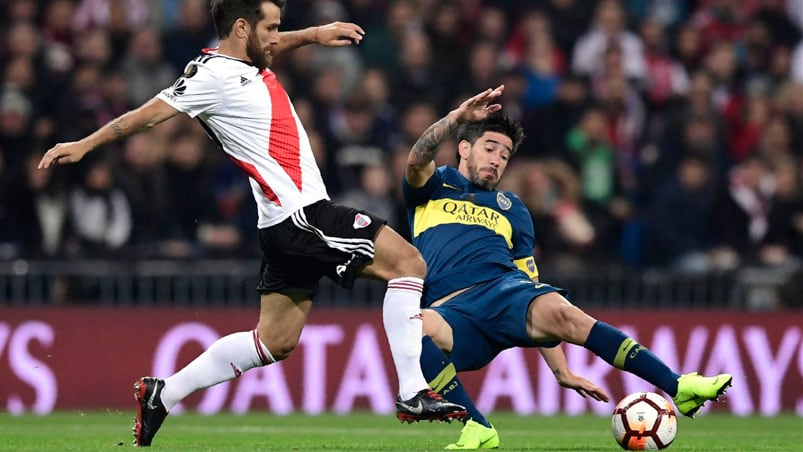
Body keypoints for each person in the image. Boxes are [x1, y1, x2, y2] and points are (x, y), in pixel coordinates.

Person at [38, 0, 466, 447]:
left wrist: (315, 34)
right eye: (272, 28)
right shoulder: (211, 78)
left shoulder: (242, 58)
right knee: (409, 264)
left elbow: (275, 45)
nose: (278, 37)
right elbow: (143, 117)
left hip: (280, 225)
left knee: (275, 341)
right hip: (302, 215)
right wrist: (86, 144)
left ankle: (164, 394)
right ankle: (413, 390)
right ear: (242, 28)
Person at [403, 85, 733, 449]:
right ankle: (477, 426)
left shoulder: (511, 207)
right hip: (453, 313)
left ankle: (679, 386)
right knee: (412, 327)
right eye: (490, 148)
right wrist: (455, 119)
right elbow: (417, 159)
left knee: (568, 316)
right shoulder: (436, 185)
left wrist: (560, 370)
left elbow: (531, 285)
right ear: (464, 148)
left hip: (504, 292)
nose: (497, 159)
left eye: (505, 154)